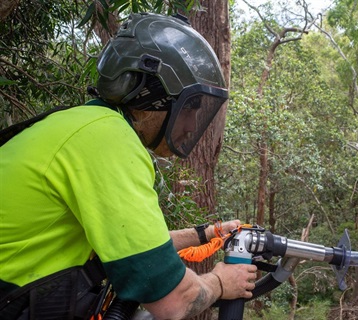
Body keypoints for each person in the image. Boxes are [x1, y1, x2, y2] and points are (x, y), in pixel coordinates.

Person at [0, 12, 257, 320]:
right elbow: (173, 302)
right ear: (155, 96)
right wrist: (219, 282)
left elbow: (142, 247)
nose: (191, 126)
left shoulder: (88, 125)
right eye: (190, 107)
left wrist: (209, 233)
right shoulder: (108, 141)